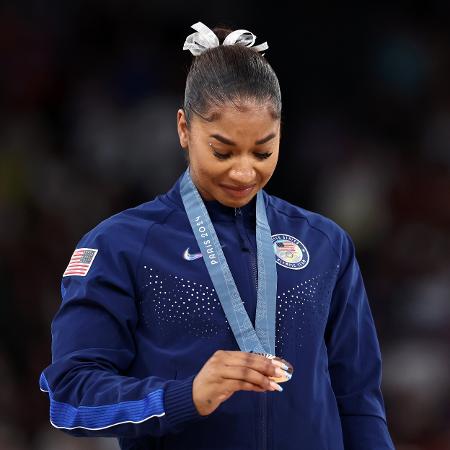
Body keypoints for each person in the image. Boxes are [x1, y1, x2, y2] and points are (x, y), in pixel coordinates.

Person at [39, 21, 396, 450]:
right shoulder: (121, 245)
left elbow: (358, 402)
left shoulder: (324, 243)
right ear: (184, 129)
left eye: (263, 151)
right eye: (222, 151)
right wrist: (185, 396)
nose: (245, 171)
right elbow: (70, 398)